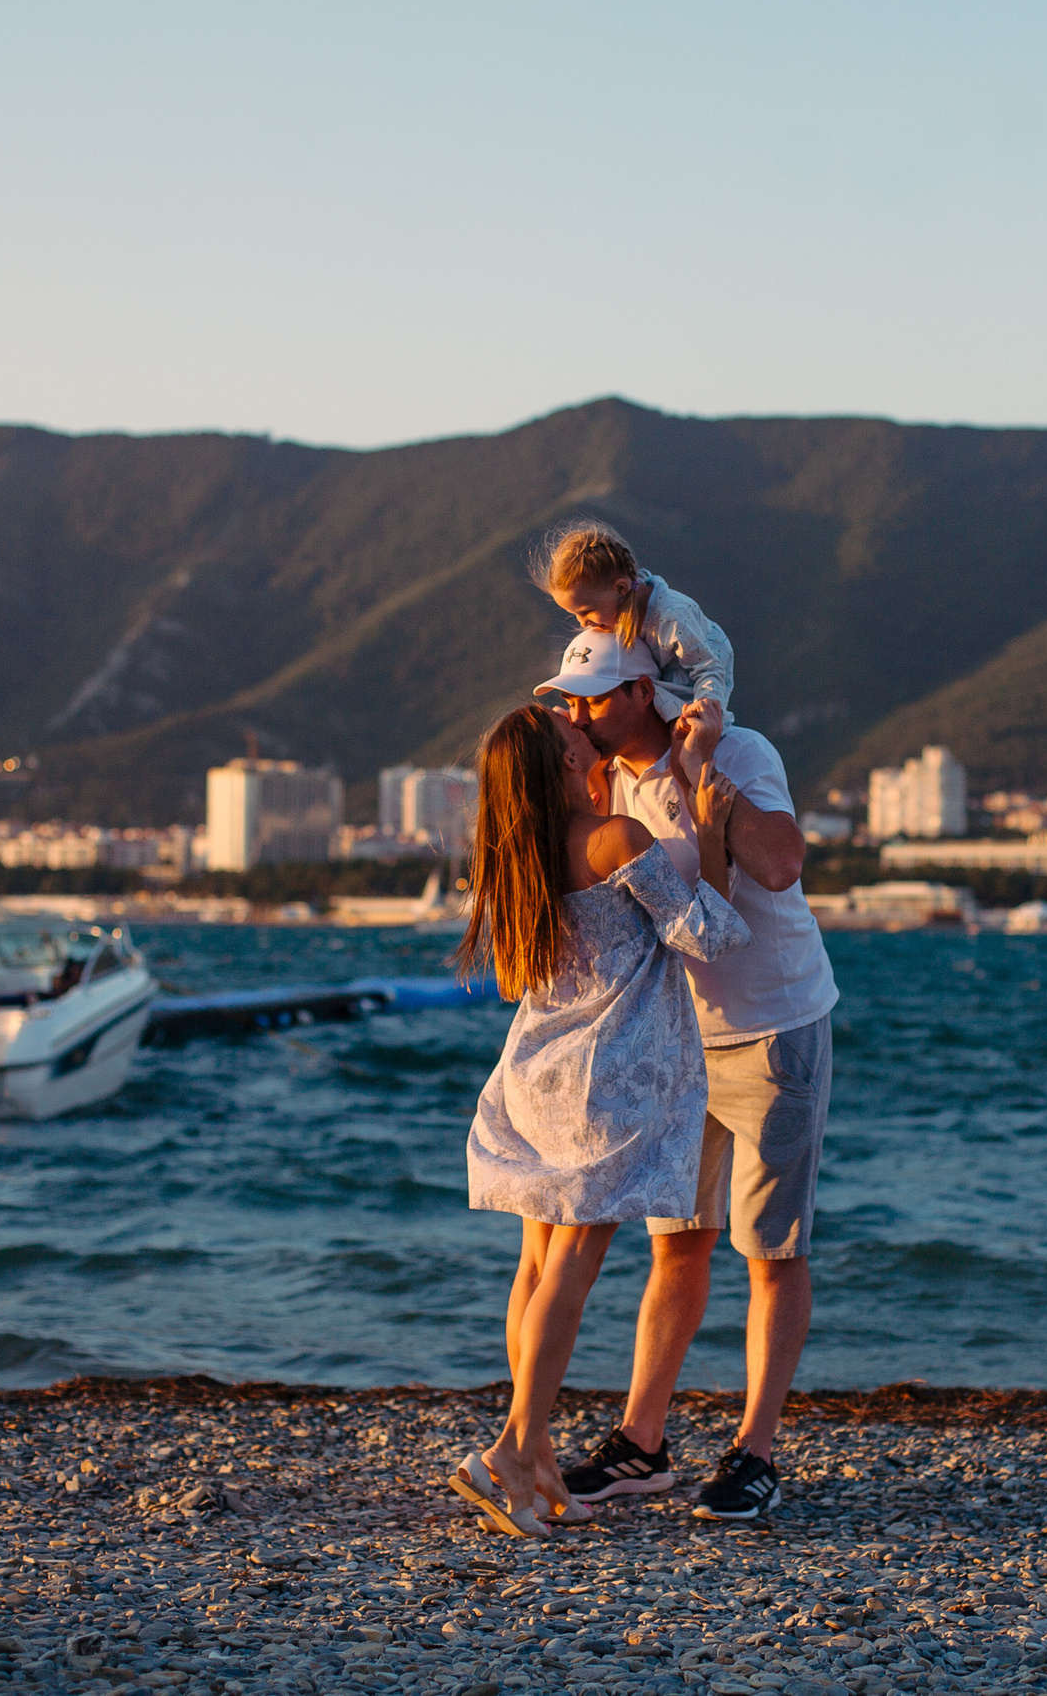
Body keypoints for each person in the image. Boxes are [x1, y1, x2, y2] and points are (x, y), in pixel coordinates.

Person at [539, 630, 839, 1522]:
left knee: (772, 1248)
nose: (580, 712)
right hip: (679, 1042)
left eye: (596, 695)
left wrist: (700, 769)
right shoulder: (609, 784)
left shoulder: (736, 751)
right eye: (573, 698)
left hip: (775, 1026)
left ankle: (756, 1452)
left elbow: (780, 865)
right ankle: (643, 1443)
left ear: (644, 690)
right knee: (675, 1243)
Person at [447, 701, 750, 1538]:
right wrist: (711, 830)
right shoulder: (615, 838)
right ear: (561, 763)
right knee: (573, 1269)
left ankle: (537, 1459)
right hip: (602, 1084)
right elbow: (709, 934)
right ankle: (512, 1448)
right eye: (568, 729)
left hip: (535, 1075)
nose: (579, 723)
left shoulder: (521, 860)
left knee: (537, 1265)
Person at [532, 520, 736, 721]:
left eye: (587, 611)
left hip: (695, 681)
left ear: (621, 588)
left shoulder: (673, 618)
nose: (582, 623)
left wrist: (704, 710)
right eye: (574, 614)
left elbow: (709, 668)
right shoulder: (617, 608)